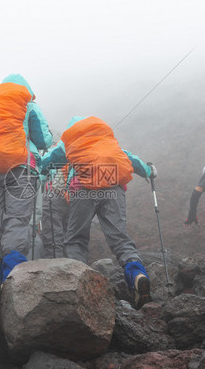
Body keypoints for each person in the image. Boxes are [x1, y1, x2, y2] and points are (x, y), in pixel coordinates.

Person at [41, 116, 154, 309]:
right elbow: (130, 159)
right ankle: (137, 274)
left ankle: (77, 287)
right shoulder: (105, 140)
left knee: (76, 239)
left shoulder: (70, 141)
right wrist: (149, 171)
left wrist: (41, 168)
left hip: (84, 187)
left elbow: (48, 161)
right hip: (114, 185)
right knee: (120, 238)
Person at [0, 74, 52, 281]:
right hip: (21, 169)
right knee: (17, 219)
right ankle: (12, 274)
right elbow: (43, 139)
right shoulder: (27, 104)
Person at [39, 163, 70, 259]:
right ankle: (73, 265)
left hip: (56, 192)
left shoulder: (57, 150)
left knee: (53, 236)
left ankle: (54, 265)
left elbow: (42, 173)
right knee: (71, 235)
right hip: (74, 193)